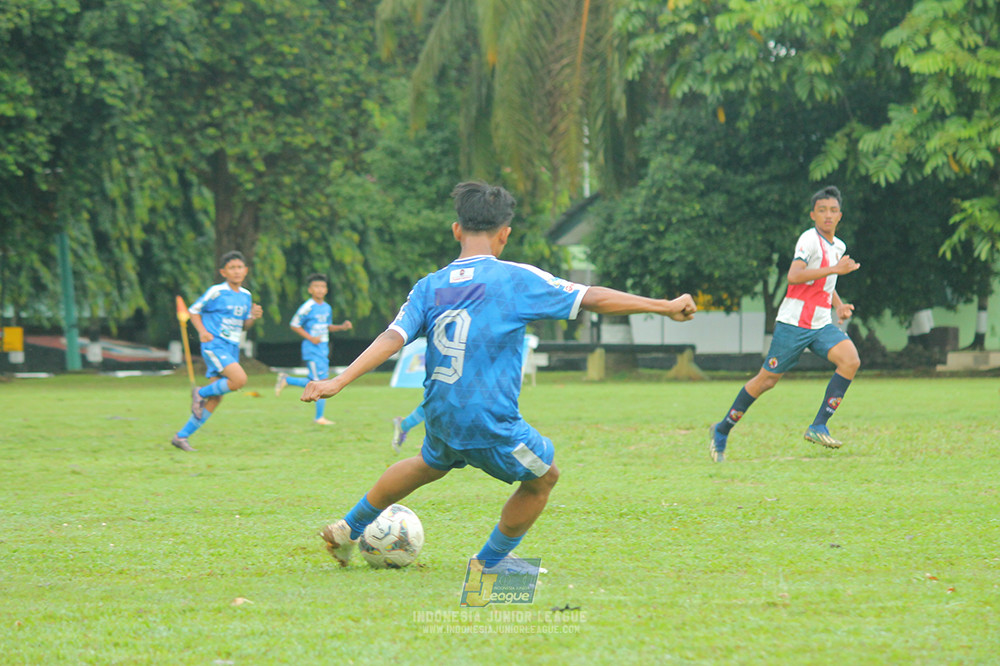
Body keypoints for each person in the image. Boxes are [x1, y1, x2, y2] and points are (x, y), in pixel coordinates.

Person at [301, 181, 697, 572]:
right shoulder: (515, 279)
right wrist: (663, 306)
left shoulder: (430, 286)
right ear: (504, 234)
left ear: (457, 230)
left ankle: (349, 527)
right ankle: (489, 563)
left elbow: (393, 337)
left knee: (429, 462)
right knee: (544, 476)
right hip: (487, 417)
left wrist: (339, 381)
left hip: (439, 411)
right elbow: (591, 296)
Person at [709, 185, 861, 462]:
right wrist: (836, 269)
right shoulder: (808, 239)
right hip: (793, 323)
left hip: (820, 323)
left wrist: (838, 305)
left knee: (850, 360)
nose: (828, 215)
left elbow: (826, 281)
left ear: (840, 216)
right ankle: (722, 429)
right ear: (813, 215)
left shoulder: (838, 246)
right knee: (767, 380)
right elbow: (795, 275)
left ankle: (818, 426)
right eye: (822, 210)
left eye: (834, 210)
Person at [171, 251, 263, 452]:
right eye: (232, 268)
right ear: (223, 272)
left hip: (231, 347)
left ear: (245, 270)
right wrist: (202, 332)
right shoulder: (216, 292)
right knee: (239, 380)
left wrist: (253, 317)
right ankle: (199, 392)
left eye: (240, 267)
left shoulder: (246, 295)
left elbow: (244, 326)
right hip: (215, 345)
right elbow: (194, 311)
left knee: (216, 398)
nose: (237, 271)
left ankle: (181, 436)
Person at [274, 273, 353, 425]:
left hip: (323, 349)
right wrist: (311, 338)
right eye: (316, 286)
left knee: (315, 381)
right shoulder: (307, 307)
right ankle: (319, 417)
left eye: (322, 286)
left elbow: (326, 326)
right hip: (312, 350)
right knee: (321, 382)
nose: (320, 289)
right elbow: (294, 324)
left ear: (326, 290)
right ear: (310, 290)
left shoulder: (327, 307)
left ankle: (286, 380)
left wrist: (341, 327)